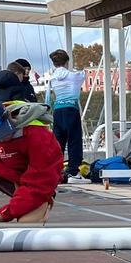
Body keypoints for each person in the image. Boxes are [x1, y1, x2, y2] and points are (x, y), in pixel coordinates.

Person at [46, 49, 89, 184]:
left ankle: (55, 172)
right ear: (67, 62)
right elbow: (84, 74)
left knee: (58, 143)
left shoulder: (52, 79)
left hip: (57, 111)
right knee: (74, 141)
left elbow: (48, 99)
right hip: (71, 109)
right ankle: (73, 173)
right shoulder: (74, 76)